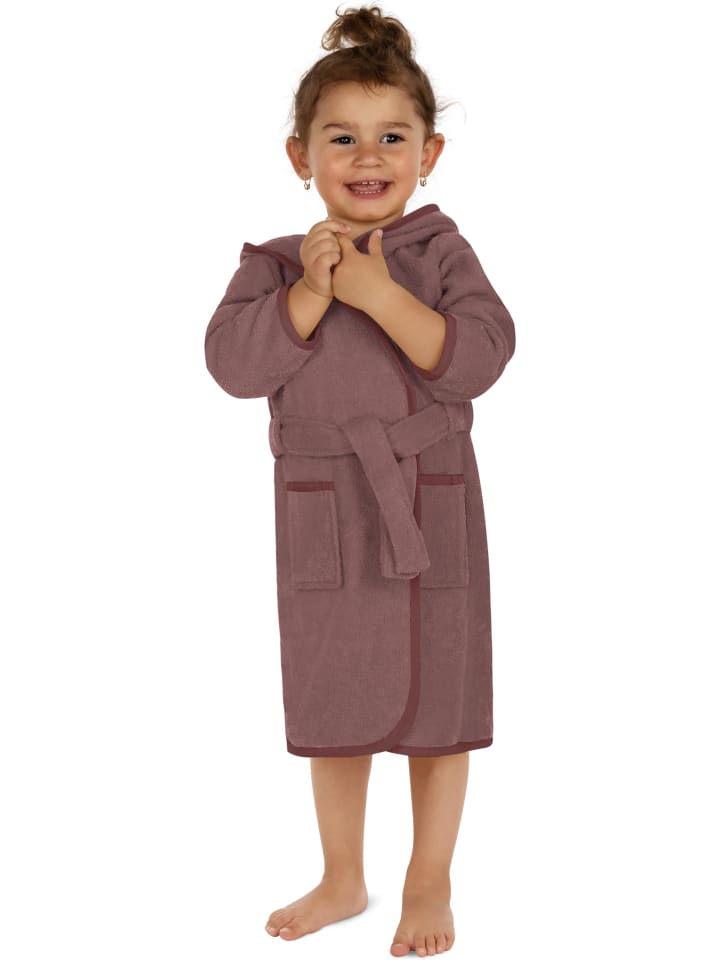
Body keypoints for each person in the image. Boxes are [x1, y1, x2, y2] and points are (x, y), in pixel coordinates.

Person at [204, 5, 516, 956]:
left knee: (442, 700)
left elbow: (479, 359)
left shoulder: (442, 253)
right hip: (324, 517)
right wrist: (310, 293)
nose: (368, 156)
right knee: (332, 697)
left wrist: (378, 294)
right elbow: (232, 367)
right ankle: (343, 875)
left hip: (431, 500)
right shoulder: (272, 266)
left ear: (431, 154)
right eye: (342, 138)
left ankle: (429, 878)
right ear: (300, 156)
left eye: (393, 137)